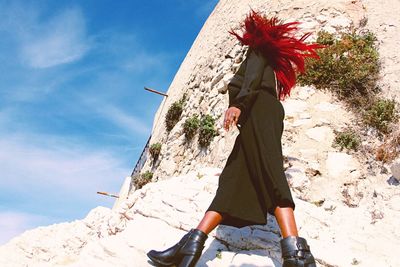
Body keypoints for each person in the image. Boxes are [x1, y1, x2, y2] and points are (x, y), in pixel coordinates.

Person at [147, 10, 322, 267]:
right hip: (259, 114)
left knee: (271, 174)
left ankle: (295, 253)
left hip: (257, 110)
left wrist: (238, 104)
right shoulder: (267, 62)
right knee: (231, 182)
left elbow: (249, 81)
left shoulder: (258, 51)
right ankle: (191, 245)